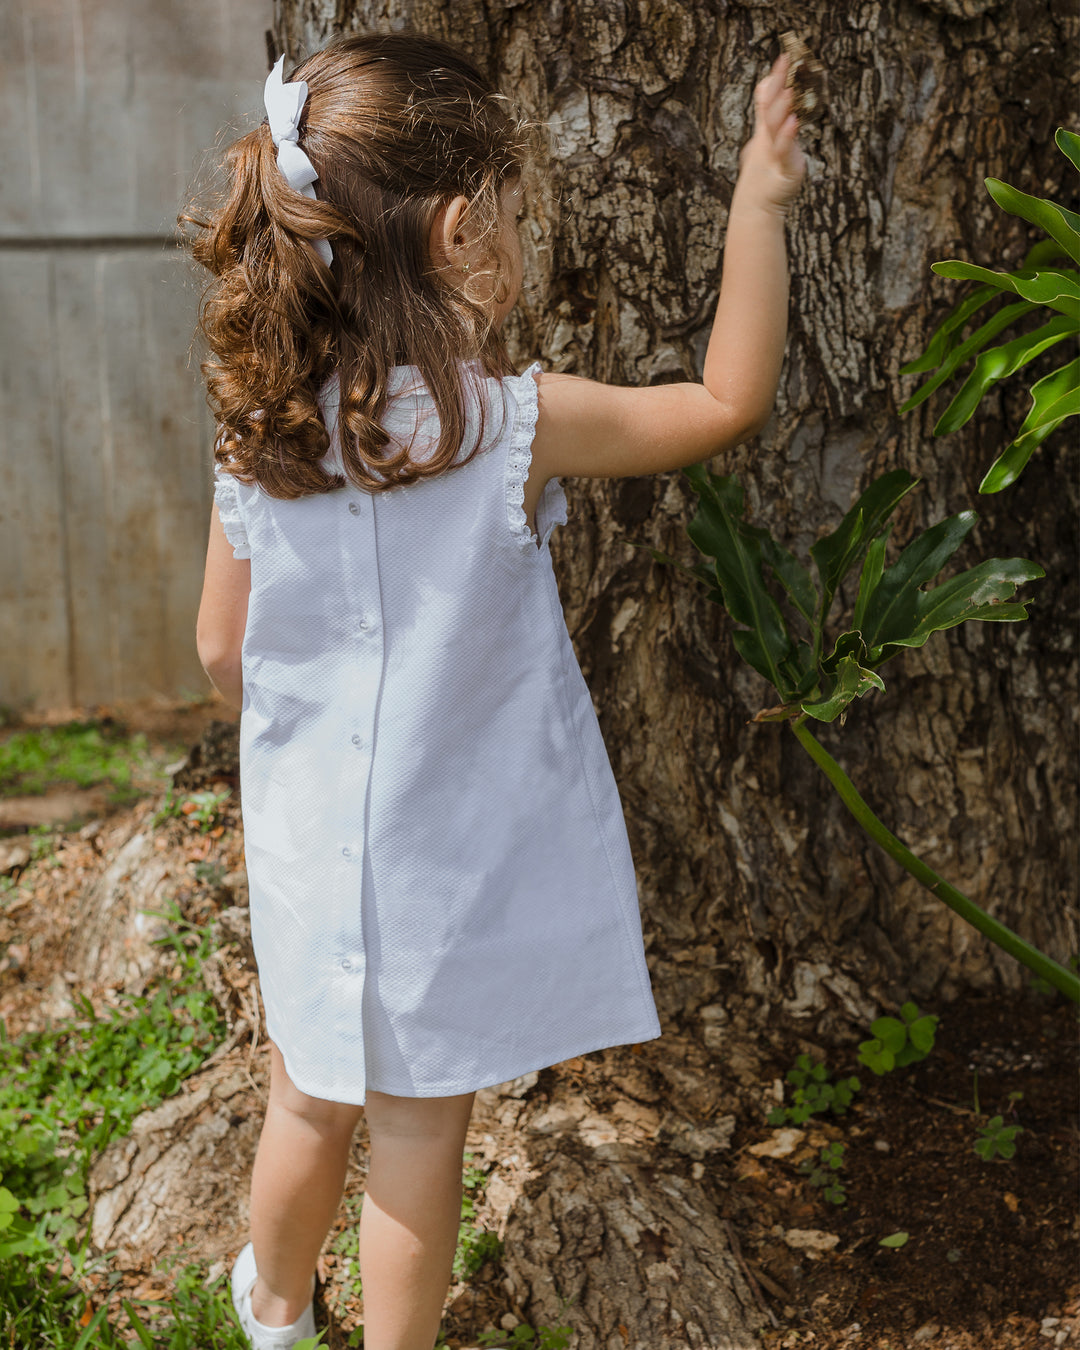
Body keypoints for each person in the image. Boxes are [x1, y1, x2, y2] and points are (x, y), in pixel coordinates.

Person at [192, 29, 804, 1350]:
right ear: (465, 229)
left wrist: (300, 745)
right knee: (418, 1136)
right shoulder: (507, 425)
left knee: (305, 1099)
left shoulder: (258, 426)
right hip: (442, 869)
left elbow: (216, 653)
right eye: (520, 212)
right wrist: (758, 199)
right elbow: (722, 398)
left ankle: (275, 1313)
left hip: (308, 852)